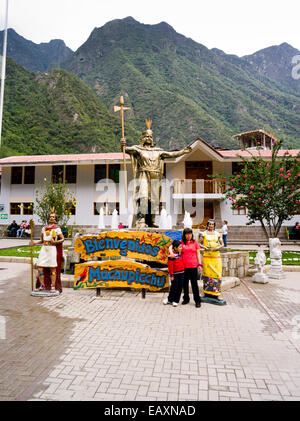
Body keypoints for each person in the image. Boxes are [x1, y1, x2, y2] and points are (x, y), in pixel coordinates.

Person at [120, 119, 191, 228]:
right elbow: (127, 150)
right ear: (142, 138)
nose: (148, 139)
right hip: (143, 174)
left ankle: (151, 220)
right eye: (146, 137)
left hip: (156, 176)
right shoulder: (138, 149)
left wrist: (183, 151)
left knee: (154, 199)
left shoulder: (158, 151)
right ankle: (141, 220)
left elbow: (172, 154)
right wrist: (123, 145)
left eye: (150, 137)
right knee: (143, 197)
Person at [31, 212, 64, 293]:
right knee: (40, 268)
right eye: (50, 217)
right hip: (44, 249)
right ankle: (42, 285)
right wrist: (34, 243)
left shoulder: (57, 228)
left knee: (52, 267)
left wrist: (55, 242)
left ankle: (53, 286)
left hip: (52, 249)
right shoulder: (44, 228)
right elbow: (42, 240)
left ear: (55, 219)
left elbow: (62, 239)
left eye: (53, 217)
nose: (51, 218)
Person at [169, 228, 202, 307]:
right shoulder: (181, 242)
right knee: (185, 284)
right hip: (183, 267)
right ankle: (186, 299)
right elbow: (170, 246)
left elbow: (198, 254)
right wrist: (171, 253)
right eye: (187, 234)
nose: (189, 236)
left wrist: (199, 264)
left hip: (193, 266)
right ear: (184, 235)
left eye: (190, 234)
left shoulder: (195, 242)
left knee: (194, 284)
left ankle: (197, 300)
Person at [199, 219, 226, 305]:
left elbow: (223, 244)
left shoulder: (218, 234)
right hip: (207, 256)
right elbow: (199, 243)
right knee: (207, 274)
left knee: (217, 274)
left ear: (214, 225)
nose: (211, 226)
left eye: (212, 224)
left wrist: (217, 248)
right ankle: (206, 293)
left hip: (216, 257)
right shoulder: (204, 234)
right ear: (207, 225)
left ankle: (216, 294)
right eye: (210, 224)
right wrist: (204, 247)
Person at [163, 240, 185, 307]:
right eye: (180, 247)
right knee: (174, 287)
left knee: (180, 287)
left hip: (182, 273)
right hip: (175, 274)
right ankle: (169, 299)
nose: (181, 248)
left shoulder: (181, 253)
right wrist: (171, 275)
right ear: (175, 248)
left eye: (181, 247)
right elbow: (170, 267)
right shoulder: (171, 256)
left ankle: (176, 300)